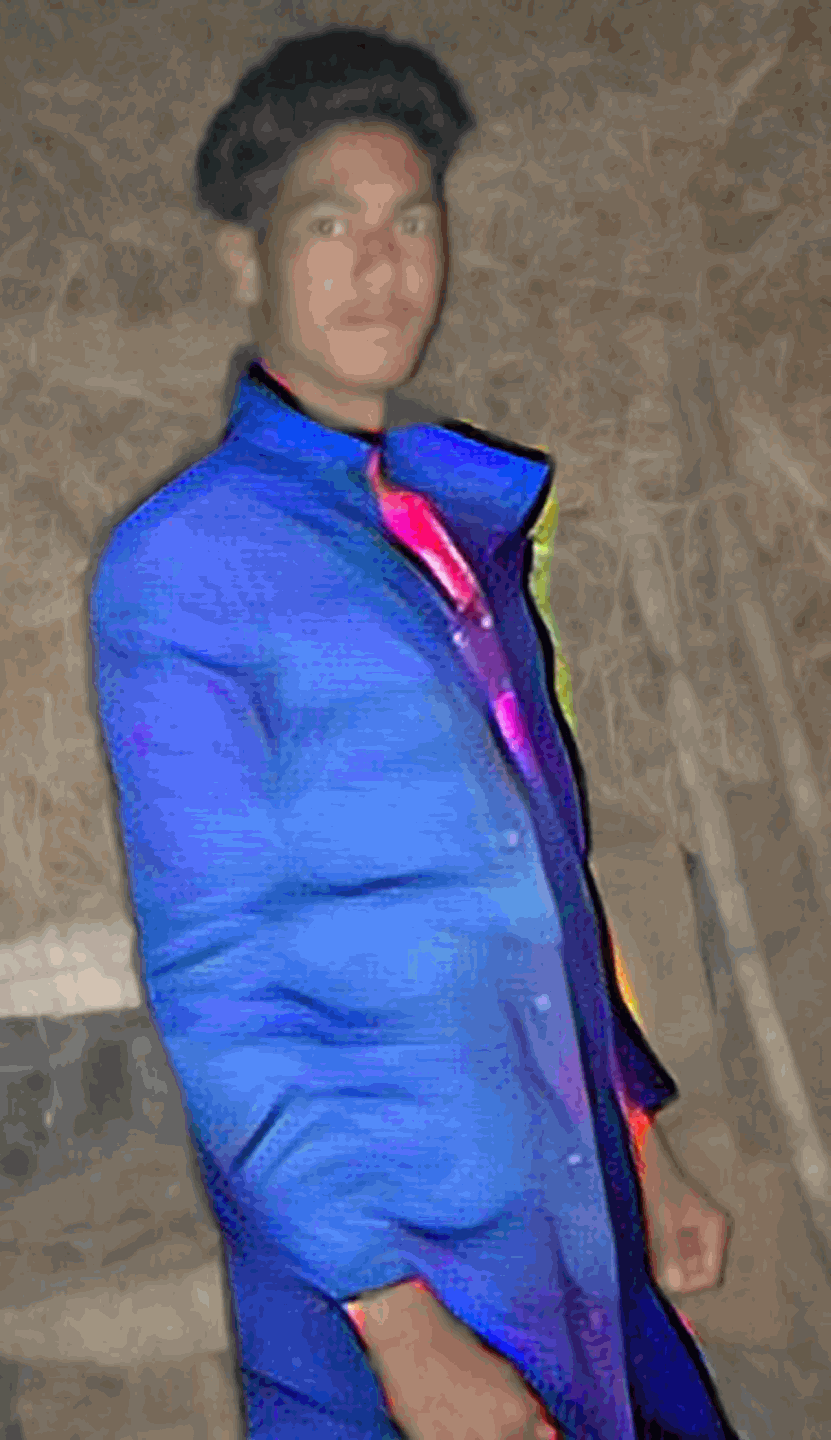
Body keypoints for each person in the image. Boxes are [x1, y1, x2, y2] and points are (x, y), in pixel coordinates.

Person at [88, 25, 738, 1440]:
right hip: (396, 1273)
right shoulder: (188, 562)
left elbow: (544, 885)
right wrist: (391, 1319)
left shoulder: (454, 529)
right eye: (331, 224)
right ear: (245, 258)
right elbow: (218, 977)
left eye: (413, 220)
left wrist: (643, 1143)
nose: (382, 266)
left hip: (574, 1218)